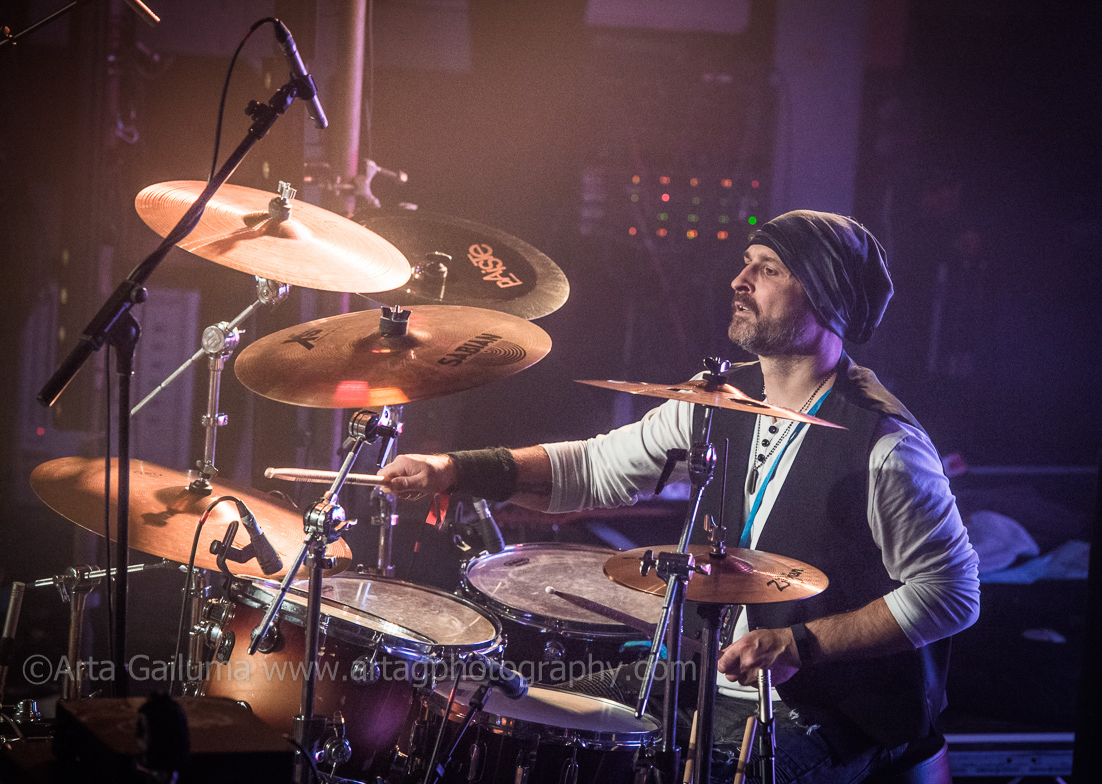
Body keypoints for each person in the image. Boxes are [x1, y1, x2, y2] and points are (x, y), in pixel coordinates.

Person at [379, 210, 980, 783]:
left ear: (828, 298)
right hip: (701, 672)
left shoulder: (886, 445)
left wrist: (800, 643)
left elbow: (952, 593)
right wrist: (453, 470)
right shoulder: (717, 399)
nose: (740, 280)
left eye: (769, 269)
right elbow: (595, 468)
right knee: (517, 722)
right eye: (747, 261)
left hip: (828, 712)